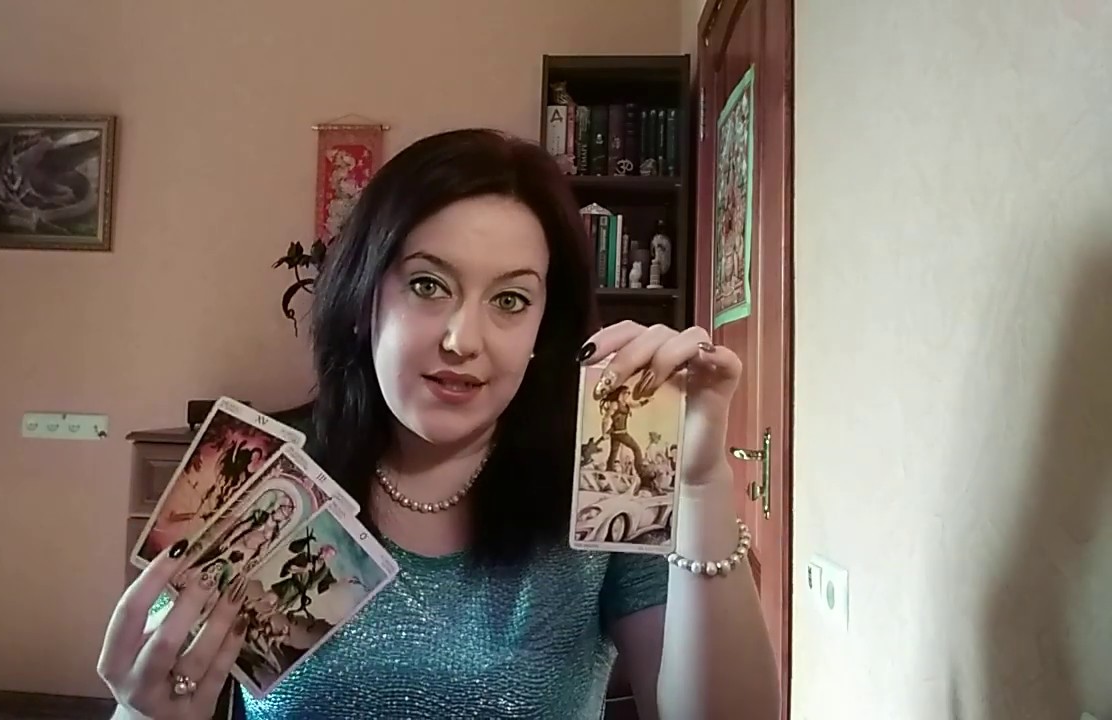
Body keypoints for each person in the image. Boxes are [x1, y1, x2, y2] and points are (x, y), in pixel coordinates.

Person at [96, 128, 780, 719]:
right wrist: (143, 712)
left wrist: (700, 484)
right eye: (428, 285)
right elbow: (161, 692)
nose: (462, 340)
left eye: (510, 300)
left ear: (544, 329)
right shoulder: (262, 481)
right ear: (365, 299)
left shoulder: (605, 489)